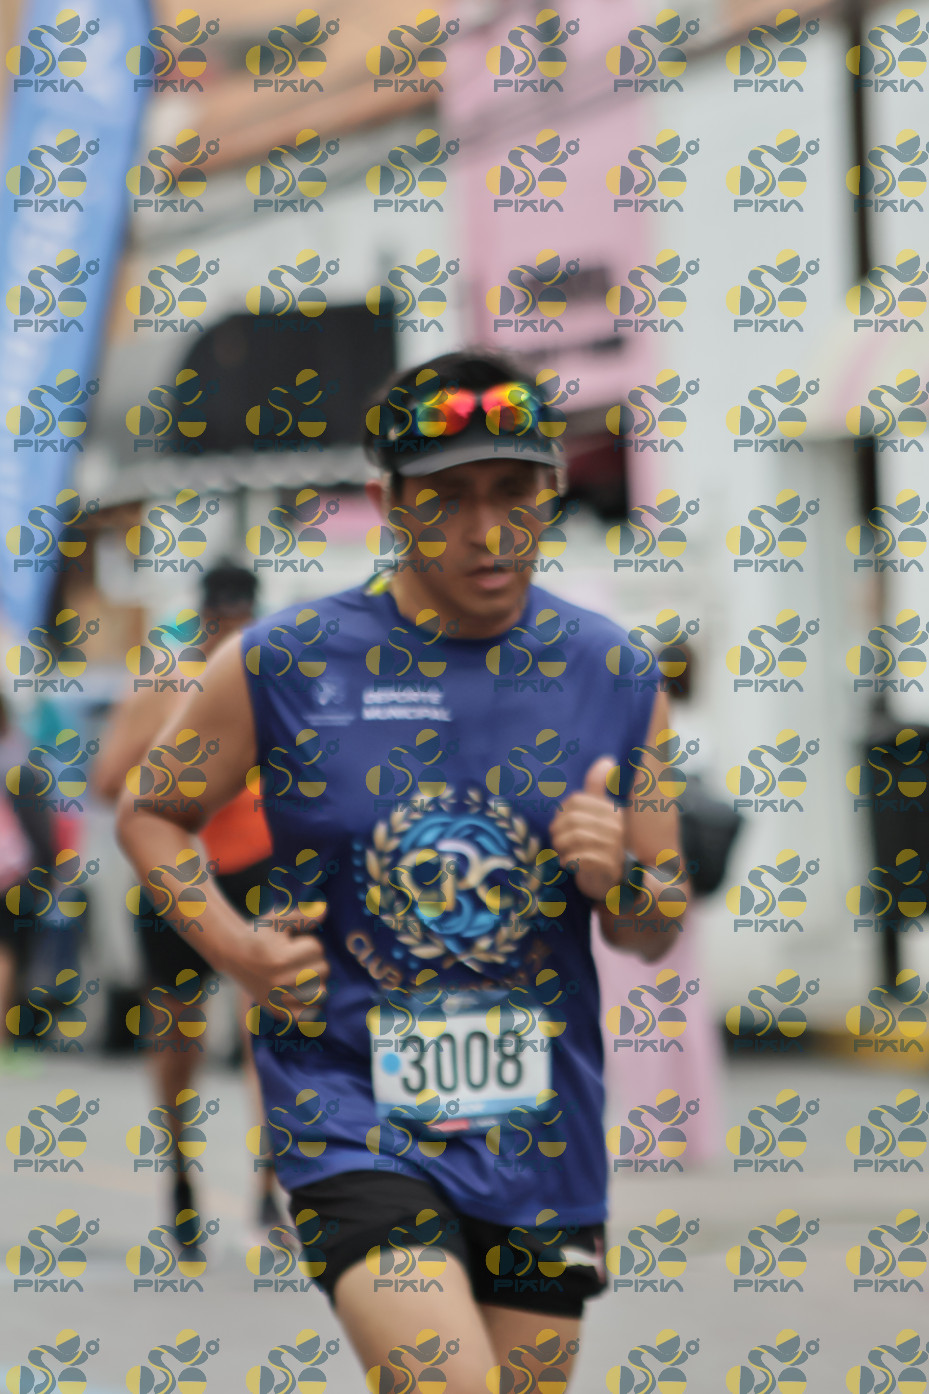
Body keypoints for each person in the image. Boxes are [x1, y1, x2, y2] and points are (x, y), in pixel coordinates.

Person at [116, 350, 688, 1391]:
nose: (486, 529)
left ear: (550, 494)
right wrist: (234, 948)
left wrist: (617, 880)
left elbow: (655, 921)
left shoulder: (613, 671)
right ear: (388, 506)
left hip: (539, 1129)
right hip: (349, 1106)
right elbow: (150, 811)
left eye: (512, 493)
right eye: (447, 499)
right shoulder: (286, 662)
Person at [96, 563, 283, 1233]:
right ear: (203, 620)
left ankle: (268, 1184)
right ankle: (180, 1172)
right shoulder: (162, 686)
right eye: (220, 621)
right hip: (175, 871)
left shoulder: (273, 680)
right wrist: (175, 763)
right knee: (178, 1039)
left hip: (254, 867)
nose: (229, 631)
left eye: (241, 620)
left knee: (269, 1026)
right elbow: (107, 781)